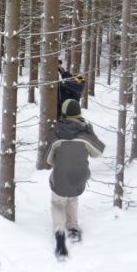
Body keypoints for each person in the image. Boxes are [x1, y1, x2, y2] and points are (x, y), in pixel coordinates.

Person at [45, 98, 105, 259]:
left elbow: (49, 160)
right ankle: (72, 228)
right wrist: (89, 133)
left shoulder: (56, 132)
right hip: (79, 178)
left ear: (63, 113)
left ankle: (59, 231)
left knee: (57, 202)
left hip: (59, 178)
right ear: (79, 112)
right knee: (72, 198)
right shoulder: (85, 133)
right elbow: (98, 152)